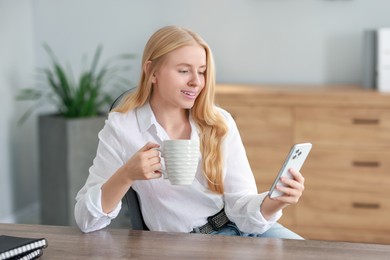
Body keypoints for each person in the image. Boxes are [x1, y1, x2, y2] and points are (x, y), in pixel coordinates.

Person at [74, 25, 305, 239]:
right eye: (184, 71)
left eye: (202, 72)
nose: (196, 82)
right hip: (187, 244)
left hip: (243, 231)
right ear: (152, 72)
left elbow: (241, 207)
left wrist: (276, 201)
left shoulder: (218, 121)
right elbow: (86, 219)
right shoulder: (123, 127)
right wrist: (126, 174)